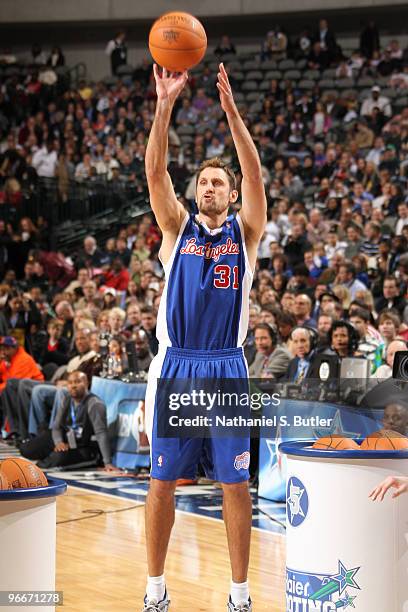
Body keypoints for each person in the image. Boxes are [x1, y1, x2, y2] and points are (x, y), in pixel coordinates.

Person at [143, 63, 266, 611]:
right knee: (163, 482)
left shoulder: (247, 231)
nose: (208, 187)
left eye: (219, 182)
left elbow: (257, 176)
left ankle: (239, 594)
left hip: (226, 365)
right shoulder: (176, 229)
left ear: (233, 194)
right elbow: (154, 174)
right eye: (203, 182)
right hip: (178, 367)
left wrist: (233, 115)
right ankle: (155, 589)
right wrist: (165, 104)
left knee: (234, 485)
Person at [20, 371, 115, 471]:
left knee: (57, 458)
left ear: (87, 383)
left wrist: (107, 462)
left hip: (85, 446)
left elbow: (101, 433)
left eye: (78, 382)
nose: (73, 386)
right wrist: (59, 442)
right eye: (70, 383)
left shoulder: (95, 404)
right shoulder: (66, 399)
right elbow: (56, 427)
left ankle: (49, 459)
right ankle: (52, 453)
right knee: (26, 449)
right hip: (66, 440)